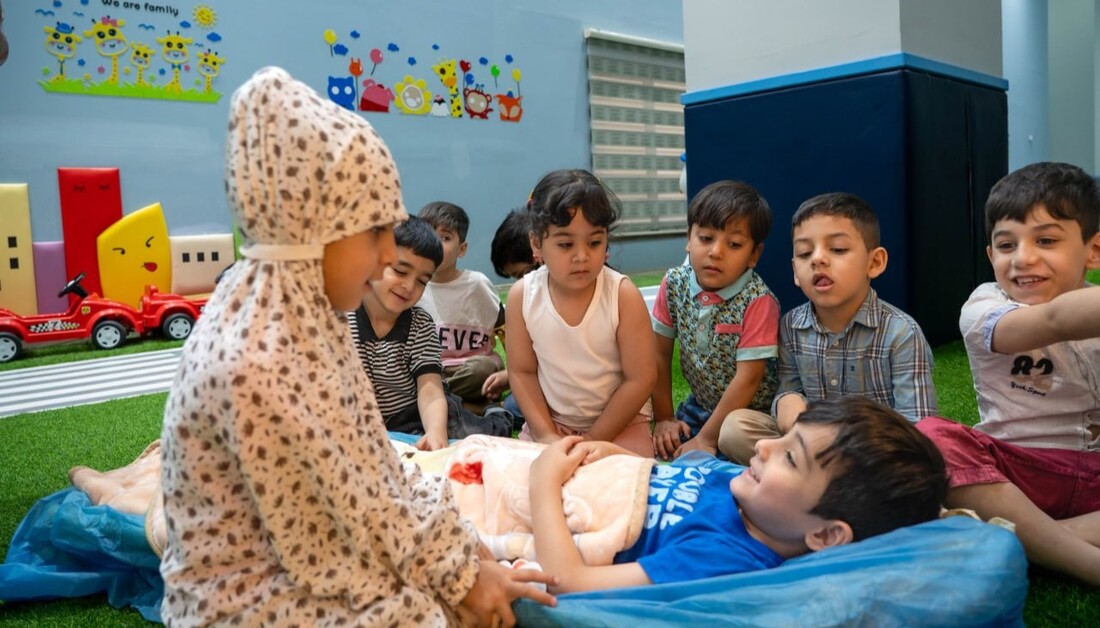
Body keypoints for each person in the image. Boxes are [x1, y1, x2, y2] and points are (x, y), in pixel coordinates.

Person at [159, 67, 554, 626]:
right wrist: (463, 575)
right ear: (311, 227)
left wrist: (463, 551)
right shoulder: (259, 354)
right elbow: (360, 510)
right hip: (249, 599)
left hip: (308, 552)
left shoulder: (307, 311)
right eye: (375, 234)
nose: (385, 258)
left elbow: (374, 463)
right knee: (431, 611)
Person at [529, 397, 947, 592]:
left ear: (825, 535)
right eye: (782, 438)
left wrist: (542, 482)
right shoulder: (737, 491)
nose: (763, 446)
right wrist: (617, 456)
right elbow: (660, 476)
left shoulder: (726, 558)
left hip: (542, 503)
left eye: (790, 457)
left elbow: (572, 584)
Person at [918, 161, 1100, 586]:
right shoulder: (984, 308)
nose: (1023, 258)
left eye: (1046, 240)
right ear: (990, 256)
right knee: (930, 439)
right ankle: (1084, 560)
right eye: (1006, 245)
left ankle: (1031, 541)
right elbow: (1055, 320)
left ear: (1093, 251)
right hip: (1015, 478)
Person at [719, 192, 937, 464]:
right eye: (805, 253)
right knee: (735, 428)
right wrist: (787, 402)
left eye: (838, 249)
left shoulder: (901, 333)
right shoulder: (791, 326)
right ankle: (813, 476)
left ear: (874, 263)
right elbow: (788, 388)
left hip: (875, 455)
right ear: (795, 272)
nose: (817, 259)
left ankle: (811, 478)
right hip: (810, 443)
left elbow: (919, 424)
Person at [506, 169, 658, 457]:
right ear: (536, 244)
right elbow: (522, 372)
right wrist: (545, 434)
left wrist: (593, 438)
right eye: (565, 244)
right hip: (551, 423)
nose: (582, 256)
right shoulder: (522, 296)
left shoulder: (622, 295)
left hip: (621, 424)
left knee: (620, 481)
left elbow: (640, 379)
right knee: (526, 478)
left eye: (594, 242)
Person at [347, 216, 512, 450]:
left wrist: (436, 432)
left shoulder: (420, 324)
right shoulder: (341, 319)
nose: (409, 287)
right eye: (400, 271)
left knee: (472, 437)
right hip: (363, 419)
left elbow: (430, 390)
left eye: (422, 281)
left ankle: (496, 416)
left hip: (414, 413)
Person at [650, 180, 780, 460]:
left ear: (754, 254)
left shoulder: (757, 300)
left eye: (734, 244)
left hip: (750, 414)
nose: (716, 252)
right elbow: (658, 355)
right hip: (699, 406)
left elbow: (749, 378)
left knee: (729, 452)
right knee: (664, 454)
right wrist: (664, 417)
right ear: (689, 239)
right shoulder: (673, 284)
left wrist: (706, 439)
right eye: (706, 238)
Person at [417, 201, 506, 412]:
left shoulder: (477, 284)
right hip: (432, 372)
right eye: (428, 236)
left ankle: (434, 402)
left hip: (471, 370)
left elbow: (506, 327)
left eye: (445, 238)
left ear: (462, 249)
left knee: (483, 369)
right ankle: (467, 407)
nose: (435, 245)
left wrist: (511, 373)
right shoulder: (414, 286)